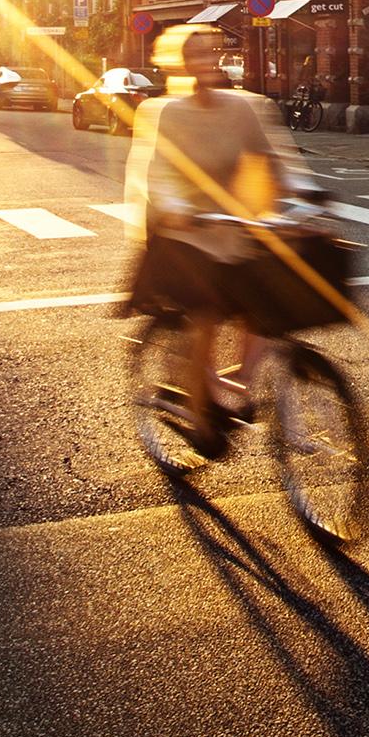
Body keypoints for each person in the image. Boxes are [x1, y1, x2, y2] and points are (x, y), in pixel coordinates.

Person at [121, 23, 319, 453]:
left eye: (212, 52)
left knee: (267, 309)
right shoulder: (167, 113)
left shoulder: (243, 109)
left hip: (234, 228)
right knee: (206, 315)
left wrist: (304, 203)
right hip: (186, 234)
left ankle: (240, 390)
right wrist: (178, 209)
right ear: (180, 63)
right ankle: (201, 423)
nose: (207, 61)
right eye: (196, 54)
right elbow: (158, 174)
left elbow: (274, 160)